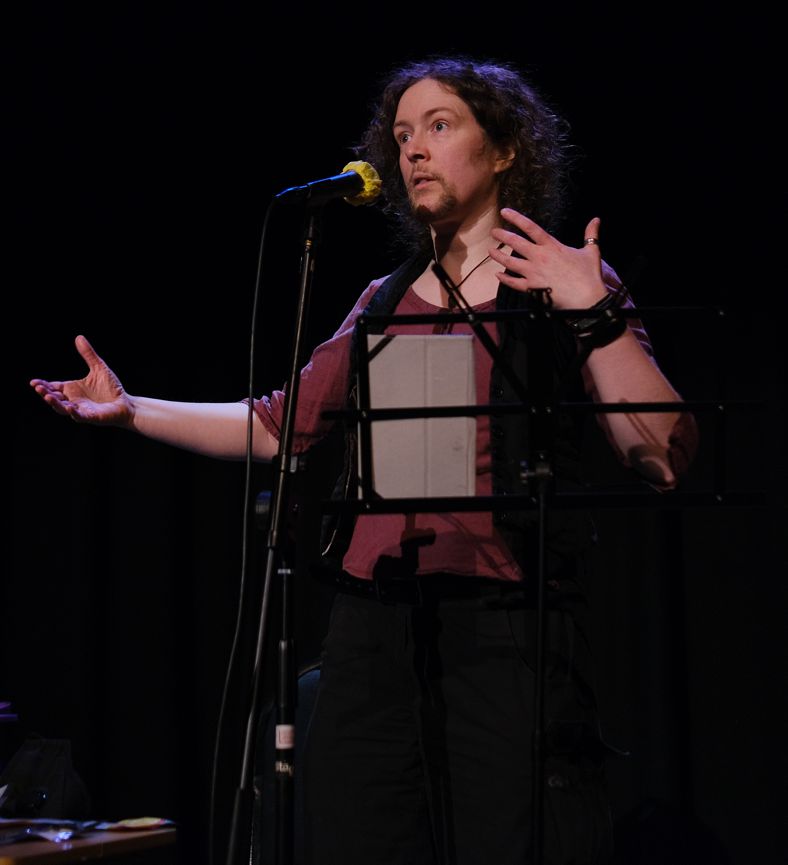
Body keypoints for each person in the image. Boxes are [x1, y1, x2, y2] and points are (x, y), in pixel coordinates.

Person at [30, 55, 698, 865]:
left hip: (506, 631)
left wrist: (593, 312)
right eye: (403, 134)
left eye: (440, 126)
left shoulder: (563, 284)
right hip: (374, 631)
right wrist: (131, 411)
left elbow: (661, 456)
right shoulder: (383, 299)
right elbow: (277, 427)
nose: (412, 149)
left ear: (506, 149)